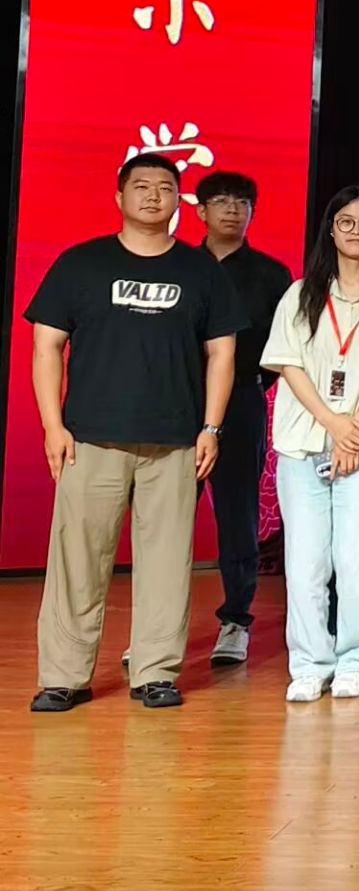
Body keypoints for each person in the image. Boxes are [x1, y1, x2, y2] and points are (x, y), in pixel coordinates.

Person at [27, 155, 244, 712]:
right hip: (90, 439)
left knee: (167, 563)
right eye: (141, 186)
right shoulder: (81, 263)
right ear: (119, 197)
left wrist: (211, 427)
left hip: (174, 441)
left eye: (165, 187)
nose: (152, 195)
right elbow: (47, 346)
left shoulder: (201, 271)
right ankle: (63, 677)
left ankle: (156, 672)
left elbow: (222, 353)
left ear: (178, 200)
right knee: (77, 561)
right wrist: (53, 426)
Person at [262, 187, 359, 702]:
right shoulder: (301, 293)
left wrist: (354, 429)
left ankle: (355, 658)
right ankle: (309, 662)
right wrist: (333, 423)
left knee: (357, 559)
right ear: (331, 229)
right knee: (306, 562)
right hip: (304, 442)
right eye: (346, 222)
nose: (356, 231)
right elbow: (288, 364)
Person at [191, 170, 293, 667]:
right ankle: (157, 626)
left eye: (241, 202)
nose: (232, 209)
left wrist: (245, 384)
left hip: (241, 403)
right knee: (164, 517)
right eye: (221, 201)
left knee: (238, 514)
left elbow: (282, 347)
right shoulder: (178, 265)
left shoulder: (272, 274)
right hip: (178, 402)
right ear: (200, 211)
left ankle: (235, 620)